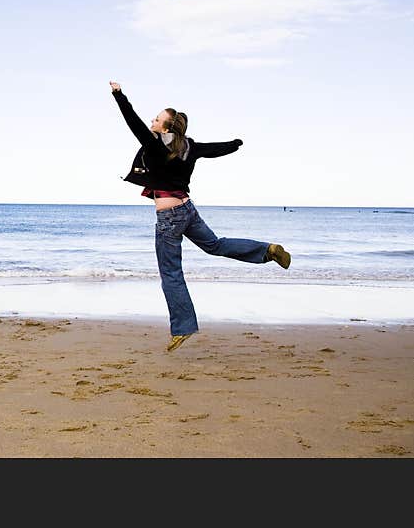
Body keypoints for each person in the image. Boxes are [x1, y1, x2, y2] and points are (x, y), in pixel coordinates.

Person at [109, 81, 291, 352]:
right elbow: (214, 149)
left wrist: (118, 95)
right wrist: (235, 144)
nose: (152, 121)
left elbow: (131, 120)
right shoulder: (188, 147)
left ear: (166, 127)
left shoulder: (155, 145)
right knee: (215, 245)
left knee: (171, 273)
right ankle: (268, 250)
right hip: (188, 209)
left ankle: (182, 328)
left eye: (157, 119)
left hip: (169, 217)